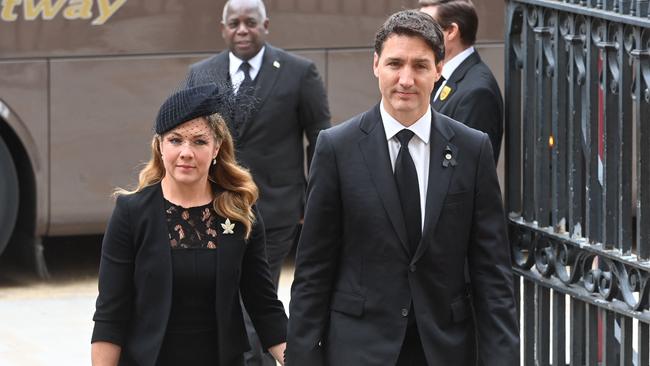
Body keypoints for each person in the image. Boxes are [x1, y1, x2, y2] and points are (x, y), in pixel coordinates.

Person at [287, 10, 518, 366]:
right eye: (395, 63)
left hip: (445, 348)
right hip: (359, 350)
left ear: (439, 69)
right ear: (376, 64)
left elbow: (492, 273)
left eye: (420, 66)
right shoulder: (336, 148)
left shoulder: (473, 150)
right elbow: (313, 270)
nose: (406, 79)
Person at [90, 83, 287, 366]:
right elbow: (111, 314)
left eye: (199, 141)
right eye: (175, 140)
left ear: (216, 147)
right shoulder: (131, 213)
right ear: (159, 145)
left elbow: (264, 306)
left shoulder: (240, 211)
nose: (186, 152)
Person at [186, 1, 330, 364]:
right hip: (216, 206)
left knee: (256, 291)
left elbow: (321, 140)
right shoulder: (201, 74)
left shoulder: (299, 72)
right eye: (234, 23)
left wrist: (314, 200)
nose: (242, 30)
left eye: (250, 22)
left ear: (266, 25)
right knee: (227, 291)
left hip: (277, 208)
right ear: (223, 29)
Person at [420, 0, 503, 163]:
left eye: (425, 29)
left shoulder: (477, 93)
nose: (418, 36)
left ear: (451, 31)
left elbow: (462, 167)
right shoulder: (444, 76)